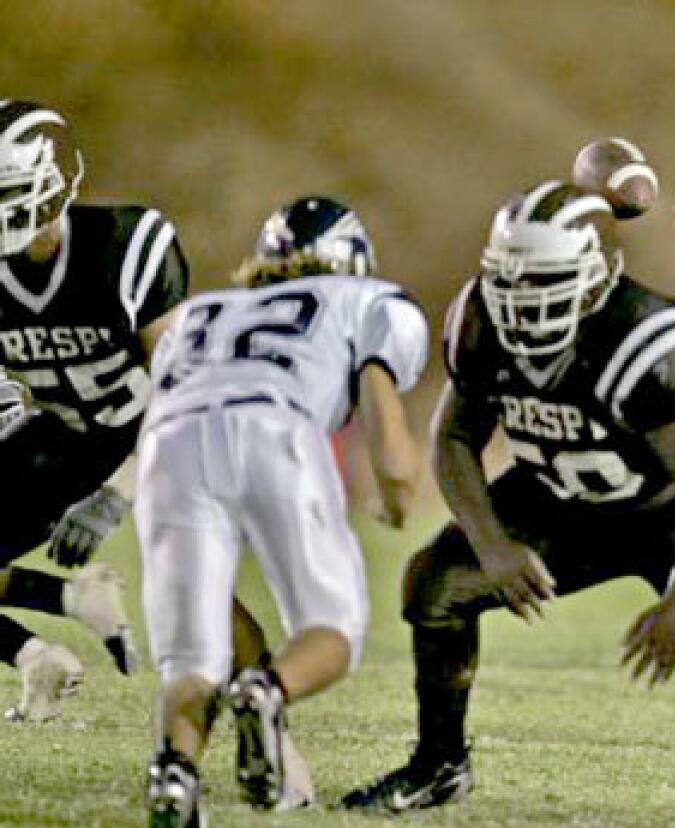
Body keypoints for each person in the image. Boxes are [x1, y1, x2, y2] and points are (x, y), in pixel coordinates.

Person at [339, 181, 675, 827]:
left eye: (542, 279)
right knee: (436, 585)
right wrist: (494, 546)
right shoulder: (480, 319)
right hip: (566, 492)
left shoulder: (650, 339)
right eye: (510, 278)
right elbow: (454, 441)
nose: (521, 299)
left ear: (594, 275)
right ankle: (439, 766)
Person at [137, 194, 428, 828]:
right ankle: (267, 690)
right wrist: (399, 491)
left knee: (192, 660)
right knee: (332, 632)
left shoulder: (198, 312)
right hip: (276, 429)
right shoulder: (367, 300)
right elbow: (386, 422)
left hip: (168, 446)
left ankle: (175, 774)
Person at [0, 99, 185, 720]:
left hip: (160, 437)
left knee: (204, 590)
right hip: (62, 438)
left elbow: (182, 389)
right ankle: (46, 644)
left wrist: (117, 493)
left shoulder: (124, 246)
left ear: (50, 186)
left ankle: (251, 716)